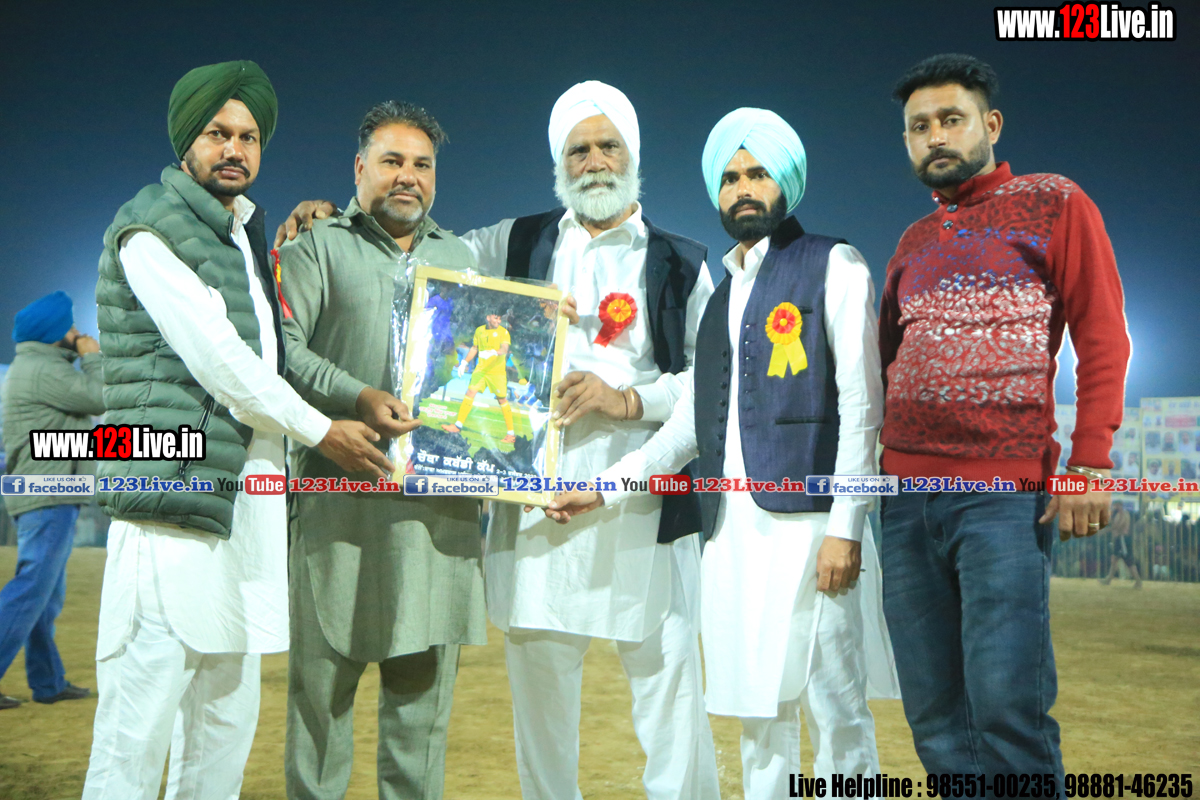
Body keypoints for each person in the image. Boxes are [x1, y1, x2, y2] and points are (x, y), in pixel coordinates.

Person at [275, 80, 719, 800]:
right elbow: (416, 244)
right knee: (541, 713)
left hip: (643, 509)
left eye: (608, 146)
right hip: (534, 516)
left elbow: (712, 382)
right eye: (578, 150)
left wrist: (628, 398)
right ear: (559, 162)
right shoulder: (511, 242)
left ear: (634, 155)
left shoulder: (686, 262)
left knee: (668, 701)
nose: (594, 162)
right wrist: (326, 211)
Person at [546, 108, 899, 797]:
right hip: (732, 538)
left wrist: (846, 527)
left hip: (813, 531)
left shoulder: (835, 264)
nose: (743, 189)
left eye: (758, 174)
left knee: (835, 709)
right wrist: (604, 487)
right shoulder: (721, 298)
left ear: (786, 182)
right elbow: (686, 429)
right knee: (756, 716)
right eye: (730, 178)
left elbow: (863, 408)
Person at [82, 61, 389, 800]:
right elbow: (222, 362)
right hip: (168, 516)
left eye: (248, 137)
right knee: (132, 747)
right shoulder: (149, 229)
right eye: (218, 133)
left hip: (244, 520)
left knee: (222, 738)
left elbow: (274, 351)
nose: (234, 149)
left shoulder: (242, 235)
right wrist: (323, 430)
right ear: (187, 140)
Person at [878, 54, 1130, 782]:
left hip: (1002, 498)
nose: (935, 136)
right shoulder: (911, 243)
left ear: (990, 124)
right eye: (918, 127)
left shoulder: (1054, 202)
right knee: (934, 719)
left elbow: (1103, 336)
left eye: (950, 119)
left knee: (1006, 709)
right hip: (905, 503)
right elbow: (887, 359)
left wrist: (1090, 463)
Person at [275, 100, 488, 800]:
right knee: (320, 703)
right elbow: (281, 352)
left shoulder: (462, 260)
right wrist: (357, 395)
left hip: (438, 518)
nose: (408, 177)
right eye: (392, 161)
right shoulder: (314, 248)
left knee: (420, 714)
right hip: (338, 507)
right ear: (359, 168)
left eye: (422, 165)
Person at [0, 292, 105, 710]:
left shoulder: (37, 365)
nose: (77, 332)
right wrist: (92, 357)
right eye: (70, 325)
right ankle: (46, 681)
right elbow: (99, 397)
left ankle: (48, 682)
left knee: (43, 597)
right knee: (31, 590)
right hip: (48, 494)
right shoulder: (43, 369)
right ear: (52, 331)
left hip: (47, 493)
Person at [442, 311, 517, 444]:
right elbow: (474, 348)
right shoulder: (479, 331)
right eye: (496, 318)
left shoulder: (503, 332)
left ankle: (511, 434)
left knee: (502, 399)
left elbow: (504, 349)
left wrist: (494, 352)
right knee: (470, 392)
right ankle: (457, 426)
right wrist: (464, 362)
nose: (498, 321)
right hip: (481, 370)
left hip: (496, 372)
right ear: (488, 317)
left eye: (500, 319)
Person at [1099, 505, 1140, 588]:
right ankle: (1108, 579)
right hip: (1119, 540)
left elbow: (1119, 526)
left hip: (1123, 539)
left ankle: (1138, 581)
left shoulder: (1124, 514)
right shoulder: (1118, 514)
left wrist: (1106, 530)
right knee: (1114, 559)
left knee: (1129, 561)